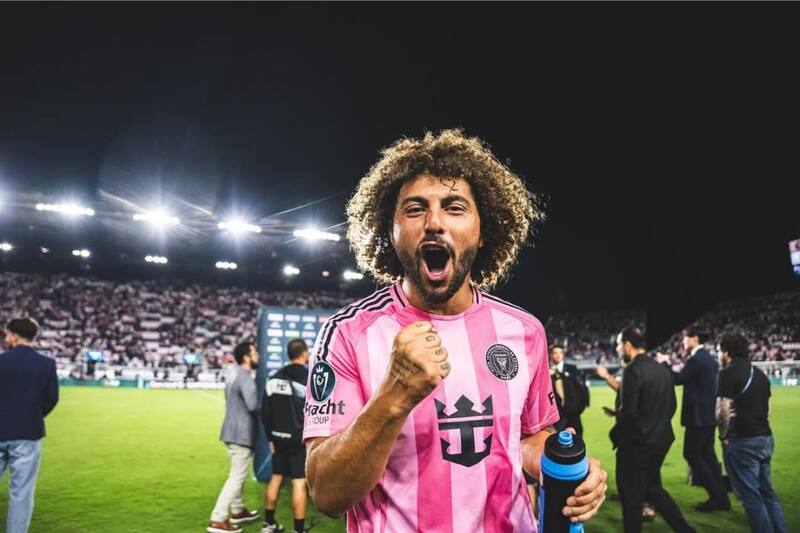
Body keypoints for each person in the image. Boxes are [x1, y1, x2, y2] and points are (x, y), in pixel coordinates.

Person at [303, 130, 607, 532]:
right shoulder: (347, 334)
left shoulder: (524, 331)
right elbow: (327, 493)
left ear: (483, 231)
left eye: (455, 207)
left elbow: (529, 437)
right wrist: (393, 396)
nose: (434, 223)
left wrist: (565, 468)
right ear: (389, 231)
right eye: (414, 209)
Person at [611, 327, 695, 533]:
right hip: (661, 440)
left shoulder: (632, 370)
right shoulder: (663, 369)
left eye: (618, 344)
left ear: (627, 345)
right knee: (652, 489)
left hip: (638, 444)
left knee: (631, 497)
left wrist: (616, 433)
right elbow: (671, 406)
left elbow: (629, 414)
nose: (617, 349)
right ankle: (686, 530)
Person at [717, 332, 786, 533]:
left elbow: (722, 410)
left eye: (719, 350)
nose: (719, 354)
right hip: (765, 438)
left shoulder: (727, 373)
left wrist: (723, 435)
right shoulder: (761, 374)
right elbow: (768, 409)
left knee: (751, 497)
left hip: (743, 441)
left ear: (727, 352)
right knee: (767, 493)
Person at [0, 318, 59, 533]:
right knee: (21, 493)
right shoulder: (46, 364)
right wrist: (32, 414)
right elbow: (51, 399)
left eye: (7, 334)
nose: (6, 338)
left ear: (14, 335)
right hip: (27, 433)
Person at [661, 327, 729, 512]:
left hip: (697, 418)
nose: (682, 342)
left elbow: (678, 379)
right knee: (708, 456)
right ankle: (722, 498)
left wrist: (665, 363)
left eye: (685, 338)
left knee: (691, 454)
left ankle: (716, 496)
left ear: (695, 339)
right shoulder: (710, 359)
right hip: (707, 417)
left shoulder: (696, 359)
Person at [208, 342, 261, 533]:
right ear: (246, 357)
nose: (258, 356)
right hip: (241, 433)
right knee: (237, 477)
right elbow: (253, 405)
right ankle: (218, 518)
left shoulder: (233, 374)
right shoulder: (245, 376)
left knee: (238, 473)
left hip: (230, 431)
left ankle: (238, 510)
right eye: (254, 352)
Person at [261, 339, 310, 533]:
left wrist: (270, 438)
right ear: (304, 354)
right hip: (298, 439)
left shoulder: (273, 378)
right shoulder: (309, 378)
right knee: (299, 482)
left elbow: (264, 412)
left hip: (277, 438)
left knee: (276, 477)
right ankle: (298, 530)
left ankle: (268, 523)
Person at [549, 344, 589, 437]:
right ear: (550, 354)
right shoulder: (544, 370)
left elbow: (581, 389)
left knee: (576, 445)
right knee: (554, 445)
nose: (558, 355)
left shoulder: (572, 369)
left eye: (560, 353)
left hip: (573, 416)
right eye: (555, 353)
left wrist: (580, 407)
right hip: (554, 417)